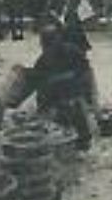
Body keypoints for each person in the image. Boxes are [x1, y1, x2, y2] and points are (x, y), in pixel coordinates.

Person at [28, 22, 93, 150]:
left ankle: (83, 138)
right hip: (55, 98)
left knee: (75, 107)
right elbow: (39, 87)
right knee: (55, 120)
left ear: (58, 42)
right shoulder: (42, 61)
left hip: (74, 93)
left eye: (50, 45)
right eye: (45, 46)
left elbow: (86, 72)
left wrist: (86, 95)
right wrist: (43, 107)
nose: (47, 49)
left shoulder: (72, 51)